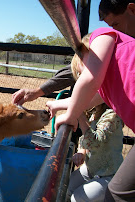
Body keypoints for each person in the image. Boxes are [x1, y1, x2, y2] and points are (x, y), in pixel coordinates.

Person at [47, 23, 135, 201]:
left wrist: (72, 115)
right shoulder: (110, 86)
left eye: (83, 67)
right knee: (66, 188)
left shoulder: (102, 35)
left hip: (107, 171)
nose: (82, 76)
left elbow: (89, 83)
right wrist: (57, 105)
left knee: (116, 194)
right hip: (94, 167)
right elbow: (86, 98)